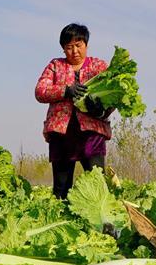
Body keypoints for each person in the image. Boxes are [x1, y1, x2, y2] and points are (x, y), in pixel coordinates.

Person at [35, 23, 113, 199]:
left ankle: (101, 224)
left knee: (97, 185)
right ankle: (60, 221)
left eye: (78, 45)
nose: (74, 51)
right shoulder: (55, 65)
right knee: (61, 188)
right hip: (62, 134)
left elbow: (113, 96)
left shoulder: (98, 66)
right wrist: (65, 90)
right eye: (69, 47)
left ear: (86, 45)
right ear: (63, 49)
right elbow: (40, 91)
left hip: (91, 133)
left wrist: (101, 110)